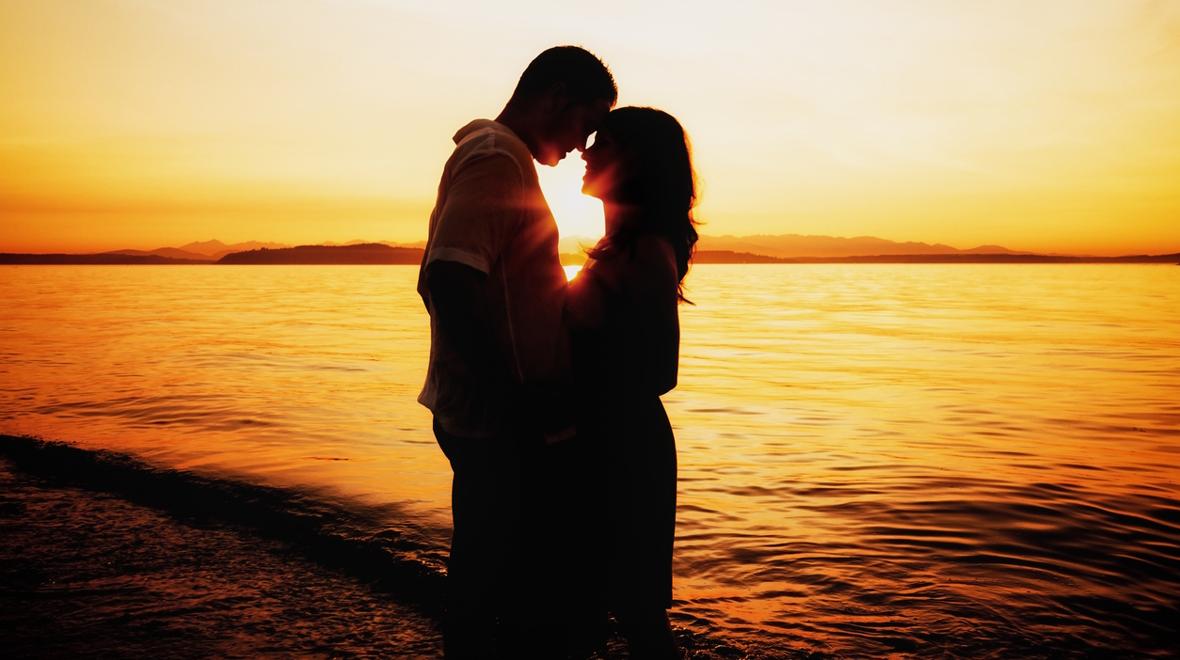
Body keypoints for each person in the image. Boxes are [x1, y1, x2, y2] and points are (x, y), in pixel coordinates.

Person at [416, 46, 616, 658]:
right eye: (585, 122)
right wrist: (514, 399)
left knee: (492, 569)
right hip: (498, 419)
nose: (583, 145)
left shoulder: (501, 158)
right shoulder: (497, 158)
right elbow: (447, 278)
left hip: (495, 412)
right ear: (555, 96)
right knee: (494, 576)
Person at [565, 106, 698, 659]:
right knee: (588, 606)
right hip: (601, 442)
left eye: (602, 141)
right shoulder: (620, 249)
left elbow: (660, 370)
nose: (584, 150)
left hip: (621, 449)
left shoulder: (645, 252)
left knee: (637, 612)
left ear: (634, 161)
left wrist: (566, 408)